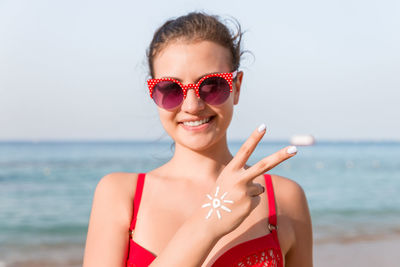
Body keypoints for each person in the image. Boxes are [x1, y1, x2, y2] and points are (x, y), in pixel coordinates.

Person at [83, 12, 313, 267]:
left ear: (236, 87)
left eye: (212, 85)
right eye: (171, 89)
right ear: (154, 92)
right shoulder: (120, 194)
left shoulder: (285, 198)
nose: (192, 106)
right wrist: (210, 221)